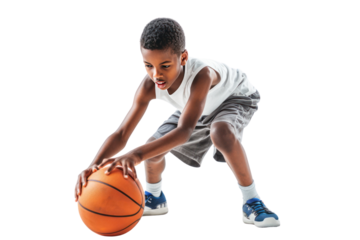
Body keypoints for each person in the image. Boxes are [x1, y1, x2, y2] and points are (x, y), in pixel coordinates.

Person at [74, 15, 280, 230]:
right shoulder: (148, 85)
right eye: (148, 65)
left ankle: (252, 201)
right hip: (194, 107)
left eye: (164, 65)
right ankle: (154, 197)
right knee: (154, 143)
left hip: (235, 98)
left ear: (183, 58)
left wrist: (135, 154)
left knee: (221, 132)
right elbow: (122, 133)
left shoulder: (202, 75)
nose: (156, 75)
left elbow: (184, 131)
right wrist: (93, 164)